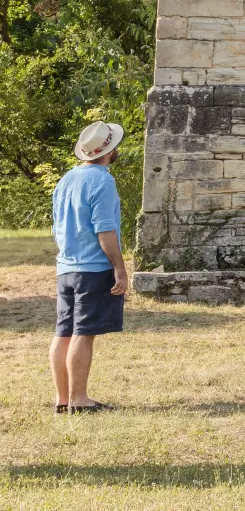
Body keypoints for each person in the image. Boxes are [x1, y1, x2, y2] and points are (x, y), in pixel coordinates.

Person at [49, 121, 129, 414]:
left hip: (66, 266)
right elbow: (105, 231)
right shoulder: (103, 181)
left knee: (64, 332)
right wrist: (119, 268)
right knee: (84, 332)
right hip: (93, 268)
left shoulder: (67, 179)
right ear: (109, 151)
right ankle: (79, 399)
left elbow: (58, 226)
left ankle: (62, 398)